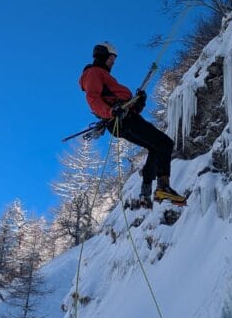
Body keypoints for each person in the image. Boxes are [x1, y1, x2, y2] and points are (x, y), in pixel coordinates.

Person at [79, 42, 186, 206]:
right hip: (121, 120)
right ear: (103, 56)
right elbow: (93, 99)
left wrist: (139, 102)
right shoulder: (93, 73)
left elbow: (127, 107)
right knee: (165, 143)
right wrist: (111, 112)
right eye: (111, 58)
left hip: (125, 119)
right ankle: (163, 187)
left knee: (155, 147)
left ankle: (145, 192)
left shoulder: (106, 78)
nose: (113, 62)